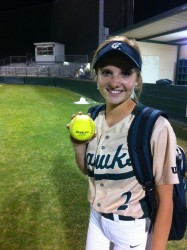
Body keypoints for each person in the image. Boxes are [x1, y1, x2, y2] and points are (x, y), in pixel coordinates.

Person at [67, 36, 179, 250]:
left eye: (125, 73)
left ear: (137, 79)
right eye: (107, 72)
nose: (115, 82)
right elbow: (89, 170)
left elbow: (166, 201)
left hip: (131, 228)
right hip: (96, 220)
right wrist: (78, 146)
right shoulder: (93, 118)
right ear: (96, 76)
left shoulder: (155, 126)